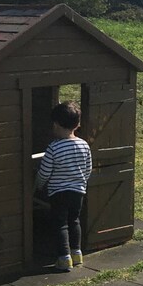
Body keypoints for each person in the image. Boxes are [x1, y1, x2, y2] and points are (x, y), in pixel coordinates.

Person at [35, 101, 92, 271]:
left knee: (60, 224)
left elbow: (44, 172)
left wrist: (39, 185)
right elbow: (88, 168)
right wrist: (81, 182)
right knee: (74, 221)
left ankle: (64, 258)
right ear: (77, 124)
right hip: (78, 191)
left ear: (56, 125)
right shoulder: (83, 145)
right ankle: (77, 253)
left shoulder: (54, 148)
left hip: (58, 192)